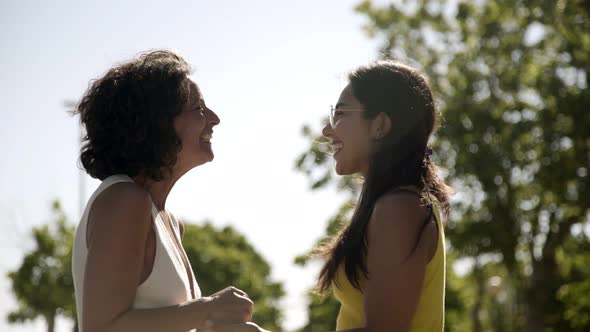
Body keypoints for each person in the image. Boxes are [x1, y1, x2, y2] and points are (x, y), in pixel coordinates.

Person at [72, 50, 267, 332]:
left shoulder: (168, 221)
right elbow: (102, 327)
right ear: (158, 122)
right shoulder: (124, 200)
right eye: (199, 108)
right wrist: (207, 309)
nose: (214, 119)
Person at [317, 60, 451, 331]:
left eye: (341, 114)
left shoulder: (399, 208)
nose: (327, 130)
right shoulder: (395, 203)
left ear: (380, 124)